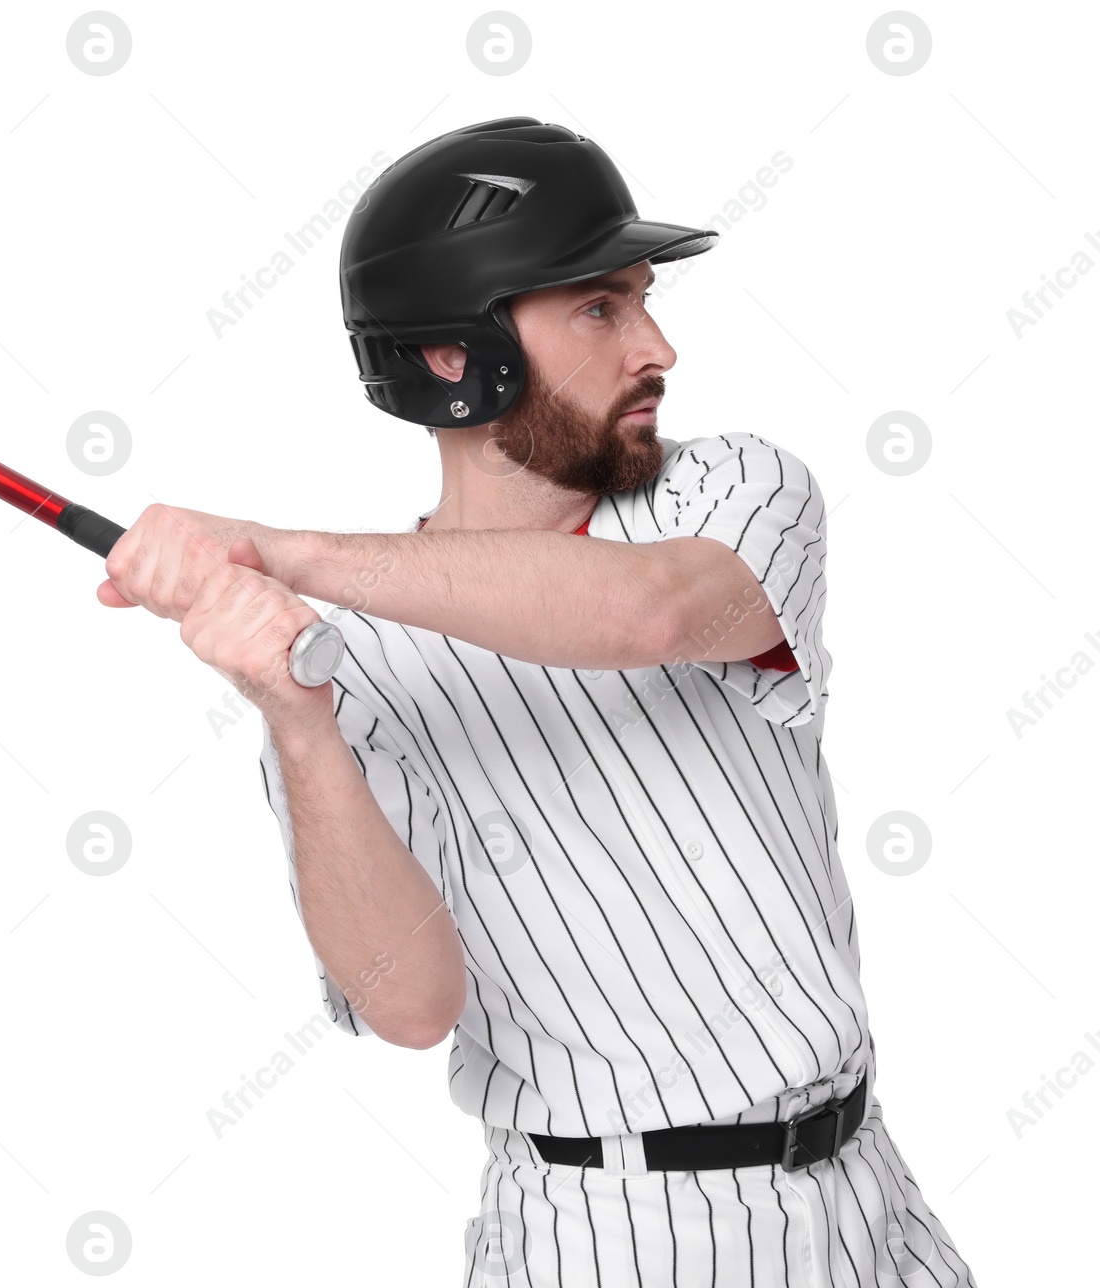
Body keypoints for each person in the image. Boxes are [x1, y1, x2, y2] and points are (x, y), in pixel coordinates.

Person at [97, 118, 975, 1287]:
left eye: (641, 299)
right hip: (612, 1235)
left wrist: (273, 546)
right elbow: (407, 1004)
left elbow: (649, 614)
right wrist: (294, 714)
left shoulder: (732, 489)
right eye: (599, 307)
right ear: (453, 354)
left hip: (871, 1195)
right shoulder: (341, 662)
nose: (657, 346)